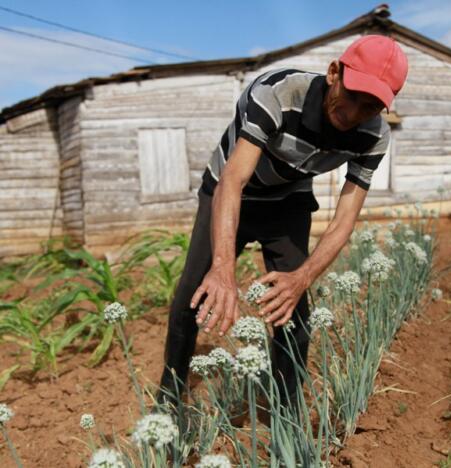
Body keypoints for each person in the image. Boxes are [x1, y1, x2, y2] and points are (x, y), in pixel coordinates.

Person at [157, 35, 409, 408]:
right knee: (192, 295)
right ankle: (169, 398)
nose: (354, 113)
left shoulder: (374, 136)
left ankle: (286, 410)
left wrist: (302, 278)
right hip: (229, 191)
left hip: (287, 200)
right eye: (353, 95)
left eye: (371, 106)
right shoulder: (276, 93)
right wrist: (222, 267)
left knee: (293, 308)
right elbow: (233, 180)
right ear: (334, 73)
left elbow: (344, 220)